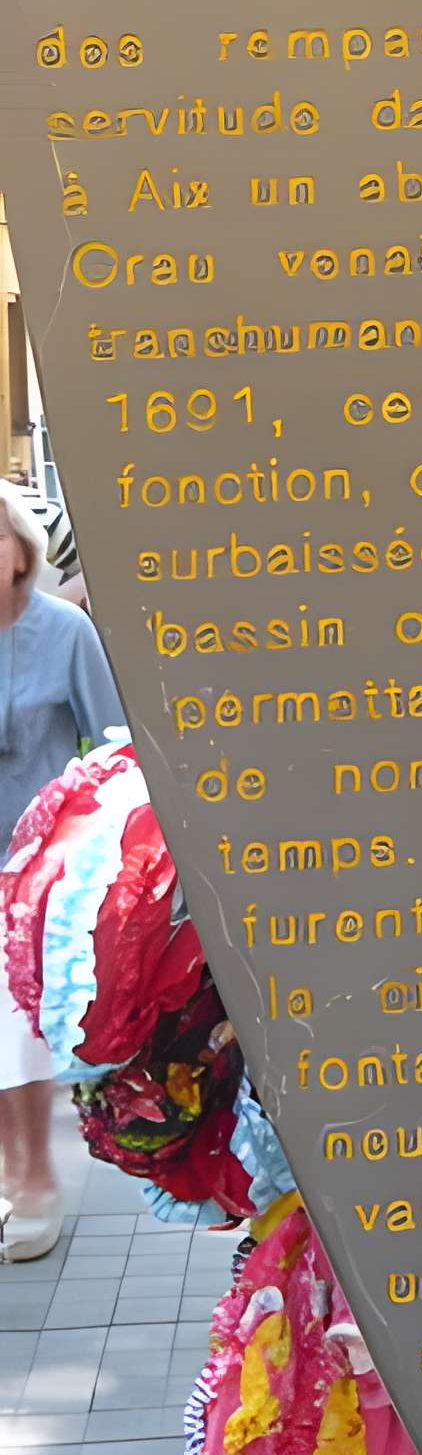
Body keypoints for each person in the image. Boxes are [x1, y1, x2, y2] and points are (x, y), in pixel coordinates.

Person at [0, 481, 123, 1259]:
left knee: (15, 1035)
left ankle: (35, 1181)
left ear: (21, 550)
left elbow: (112, 744)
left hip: (29, 870)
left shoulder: (64, 632)